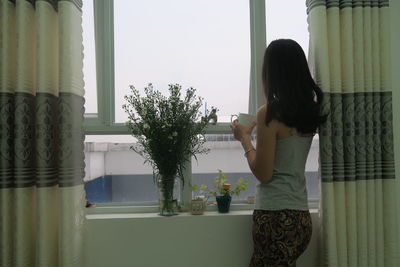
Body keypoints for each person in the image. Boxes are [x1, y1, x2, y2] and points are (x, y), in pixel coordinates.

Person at [231, 39, 327, 267]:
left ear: (271, 73)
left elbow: (264, 174)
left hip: (275, 217)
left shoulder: (270, 112)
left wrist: (244, 139)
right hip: (301, 219)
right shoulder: (309, 113)